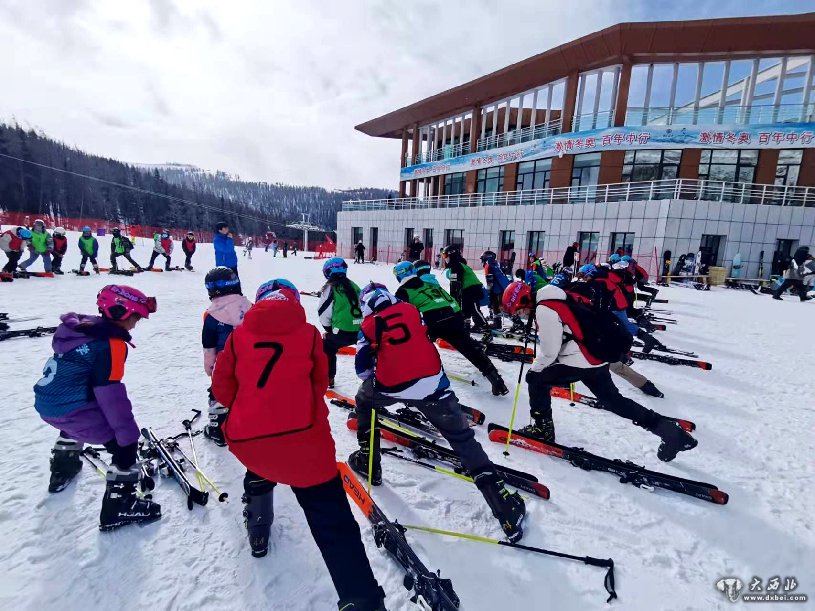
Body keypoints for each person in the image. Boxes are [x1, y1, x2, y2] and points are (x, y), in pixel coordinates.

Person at [211, 280, 387, 610]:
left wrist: (255, 408)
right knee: (334, 525)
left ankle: (258, 529)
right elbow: (319, 384)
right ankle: (362, 600)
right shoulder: (308, 335)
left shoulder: (239, 336)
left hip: (251, 441)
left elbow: (222, 390)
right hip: (306, 448)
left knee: (260, 462)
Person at [349, 283, 525, 542]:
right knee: (463, 441)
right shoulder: (410, 309)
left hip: (391, 387)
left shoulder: (368, 325)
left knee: (364, 402)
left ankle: (369, 462)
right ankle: (503, 507)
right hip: (433, 386)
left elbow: (362, 369)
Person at [509, 280, 695, 461]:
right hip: (596, 357)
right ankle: (672, 433)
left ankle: (543, 430)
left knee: (535, 380)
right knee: (614, 401)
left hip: (580, 361)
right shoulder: (562, 296)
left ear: (524, 301)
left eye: (520, 310)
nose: (523, 315)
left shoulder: (544, 308)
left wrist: (535, 369)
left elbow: (550, 352)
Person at [33, 285, 161, 530]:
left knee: (73, 425)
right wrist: (126, 433)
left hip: (49, 402)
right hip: (71, 407)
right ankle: (119, 506)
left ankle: (63, 468)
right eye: (135, 317)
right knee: (124, 444)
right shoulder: (111, 344)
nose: (135, 324)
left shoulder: (81, 331)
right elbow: (110, 394)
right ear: (122, 312)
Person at [394, 261, 508, 396]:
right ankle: (496, 379)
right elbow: (449, 299)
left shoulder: (402, 292)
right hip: (452, 314)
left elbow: (401, 315)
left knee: (421, 346)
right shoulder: (430, 284)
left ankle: (426, 374)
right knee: (469, 347)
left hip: (432, 319)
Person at [201, 267, 252, 446]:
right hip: (250, 363)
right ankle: (246, 424)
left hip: (223, 365)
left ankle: (218, 430)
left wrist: (210, 369)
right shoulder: (250, 307)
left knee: (218, 394)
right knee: (246, 391)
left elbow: (209, 346)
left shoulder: (211, 315)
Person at [318, 257, 362, 388]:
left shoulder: (330, 287)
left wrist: (329, 329)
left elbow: (323, 311)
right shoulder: (354, 286)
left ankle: (328, 378)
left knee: (326, 347)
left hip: (341, 331)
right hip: (360, 330)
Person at [442, 245, 489, 331]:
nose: (445, 258)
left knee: (473, 308)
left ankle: (483, 325)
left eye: (445, 255)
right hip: (467, 289)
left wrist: (454, 299)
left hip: (472, 289)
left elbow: (455, 284)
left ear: (451, 255)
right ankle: (467, 324)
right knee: (466, 308)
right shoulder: (458, 264)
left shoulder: (456, 265)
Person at [480, 250, 510, 319]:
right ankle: (495, 318)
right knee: (500, 306)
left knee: (496, 305)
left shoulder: (488, 265)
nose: (482, 261)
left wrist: (489, 291)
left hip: (497, 289)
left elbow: (489, 280)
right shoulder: (496, 264)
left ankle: (497, 321)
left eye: (482, 259)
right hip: (504, 287)